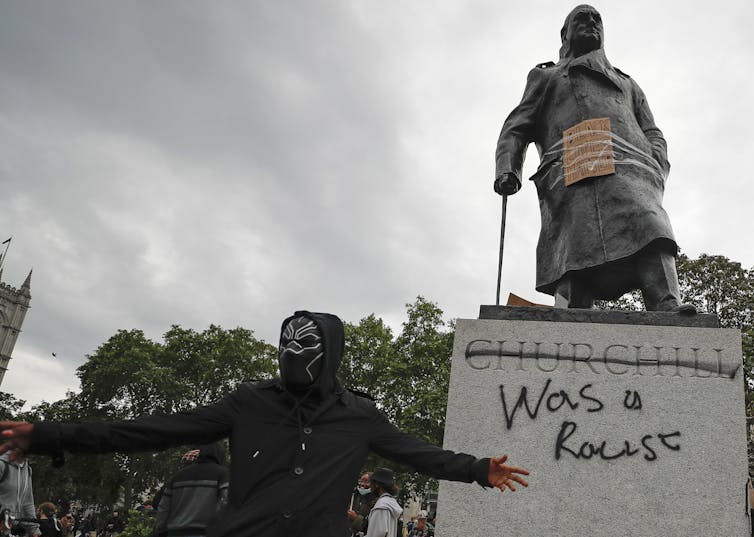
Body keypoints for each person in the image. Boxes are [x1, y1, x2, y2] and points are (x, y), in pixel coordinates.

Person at [0, 311, 529, 537]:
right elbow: (150, 429)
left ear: (331, 353)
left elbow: (417, 453)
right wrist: (48, 433)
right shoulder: (248, 403)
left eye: (305, 347)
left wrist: (479, 469)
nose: (291, 355)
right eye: (285, 344)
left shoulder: (359, 415)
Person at [494, 4, 695, 313]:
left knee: (651, 225)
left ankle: (667, 302)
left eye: (596, 19)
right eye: (581, 19)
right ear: (565, 33)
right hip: (573, 166)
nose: (591, 23)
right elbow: (516, 127)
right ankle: (572, 310)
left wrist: (655, 161)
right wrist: (508, 168)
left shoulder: (627, 82)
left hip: (631, 168)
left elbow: (652, 130)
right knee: (575, 245)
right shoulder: (547, 77)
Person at [154, 442, 229, 537]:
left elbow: (163, 507)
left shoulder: (176, 477)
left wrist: (160, 530)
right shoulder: (222, 474)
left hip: (176, 532)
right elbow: (226, 502)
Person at [0, 452, 38, 536]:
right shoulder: (2, 464)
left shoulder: (27, 470)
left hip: (12, 528)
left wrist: (34, 530)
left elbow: (28, 503)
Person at [364, 468, 401, 537]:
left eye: (372, 483)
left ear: (377, 484)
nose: (370, 486)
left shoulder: (381, 506)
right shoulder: (390, 502)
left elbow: (377, 534)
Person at [347, 472, 375, 536]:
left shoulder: (375, 501)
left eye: (366, 481)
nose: (362, 484)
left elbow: (372, 525)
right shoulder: (353, 496)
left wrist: (356, 518)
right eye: (361, 481)